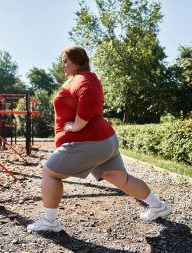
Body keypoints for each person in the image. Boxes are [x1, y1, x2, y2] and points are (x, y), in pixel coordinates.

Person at [27, 45, 171, 232]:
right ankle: (158, 207)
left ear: (78, 61)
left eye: (65, 61)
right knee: (119, 178)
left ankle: (50, 221)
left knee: (50, 172)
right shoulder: (81, 78)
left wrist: (77, 125)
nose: (63, 65)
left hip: (89, 141)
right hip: (104, 141)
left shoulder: (82, 78)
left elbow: (89, 94)